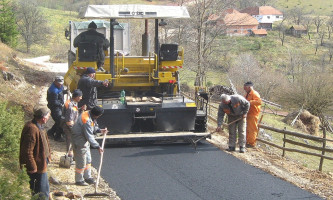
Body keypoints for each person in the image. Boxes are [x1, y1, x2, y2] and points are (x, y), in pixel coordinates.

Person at [19, 106, 51, 199]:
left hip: (42, 163)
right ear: (44, 118)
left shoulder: (39, 126)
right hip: (37, 167)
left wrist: (48, 157)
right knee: (40, 192)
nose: (49, 118)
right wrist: (32, 167)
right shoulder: (32, 128)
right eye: (48, 116)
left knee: (45, 190)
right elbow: (27, 151)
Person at [71, 106, 108, 186]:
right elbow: (89, 136)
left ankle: (88, 177)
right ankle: (79, 180)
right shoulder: (86, 119)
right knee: (81, 162)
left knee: (88, 160)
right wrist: (98, 146)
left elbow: (93, 126)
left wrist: (99, 130)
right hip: (79, 142)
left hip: (85, 142)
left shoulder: (90, 114)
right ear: (97, 115)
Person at [62, 89, 86, 158]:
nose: (81, 98)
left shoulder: (73, 103)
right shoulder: (70, 105)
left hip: (71, 125)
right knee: (70, 141)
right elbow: (69, 119)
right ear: (77, 97)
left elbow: (74, 113)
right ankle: (69, 157)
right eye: (80, 97)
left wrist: (80, 109)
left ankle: (71, 155)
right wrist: (74, 129)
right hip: (69, 127)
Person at [47, 76, 65, 142]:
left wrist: (65, 92)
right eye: (59, 83)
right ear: (55, 82)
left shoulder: (60, 86)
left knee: (59, 121)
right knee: (60, 121)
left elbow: (61, 92)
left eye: (61, 83)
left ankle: (50, 133)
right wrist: (61, 104)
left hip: (58, 107)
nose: (60, 84)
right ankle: (57, 137)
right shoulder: (53, 90)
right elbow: (54, 102)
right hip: (55, 108)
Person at [243, 81, 262, 148]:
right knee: (247, 129)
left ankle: (251, 143)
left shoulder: (254, 93)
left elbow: (259, 102)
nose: (244, 89)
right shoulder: (246, 94)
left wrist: (249, 102)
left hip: (253, 114)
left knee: (252, 129)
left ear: (249, 87)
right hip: (248, 113)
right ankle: (247, 141)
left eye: (245, 88)